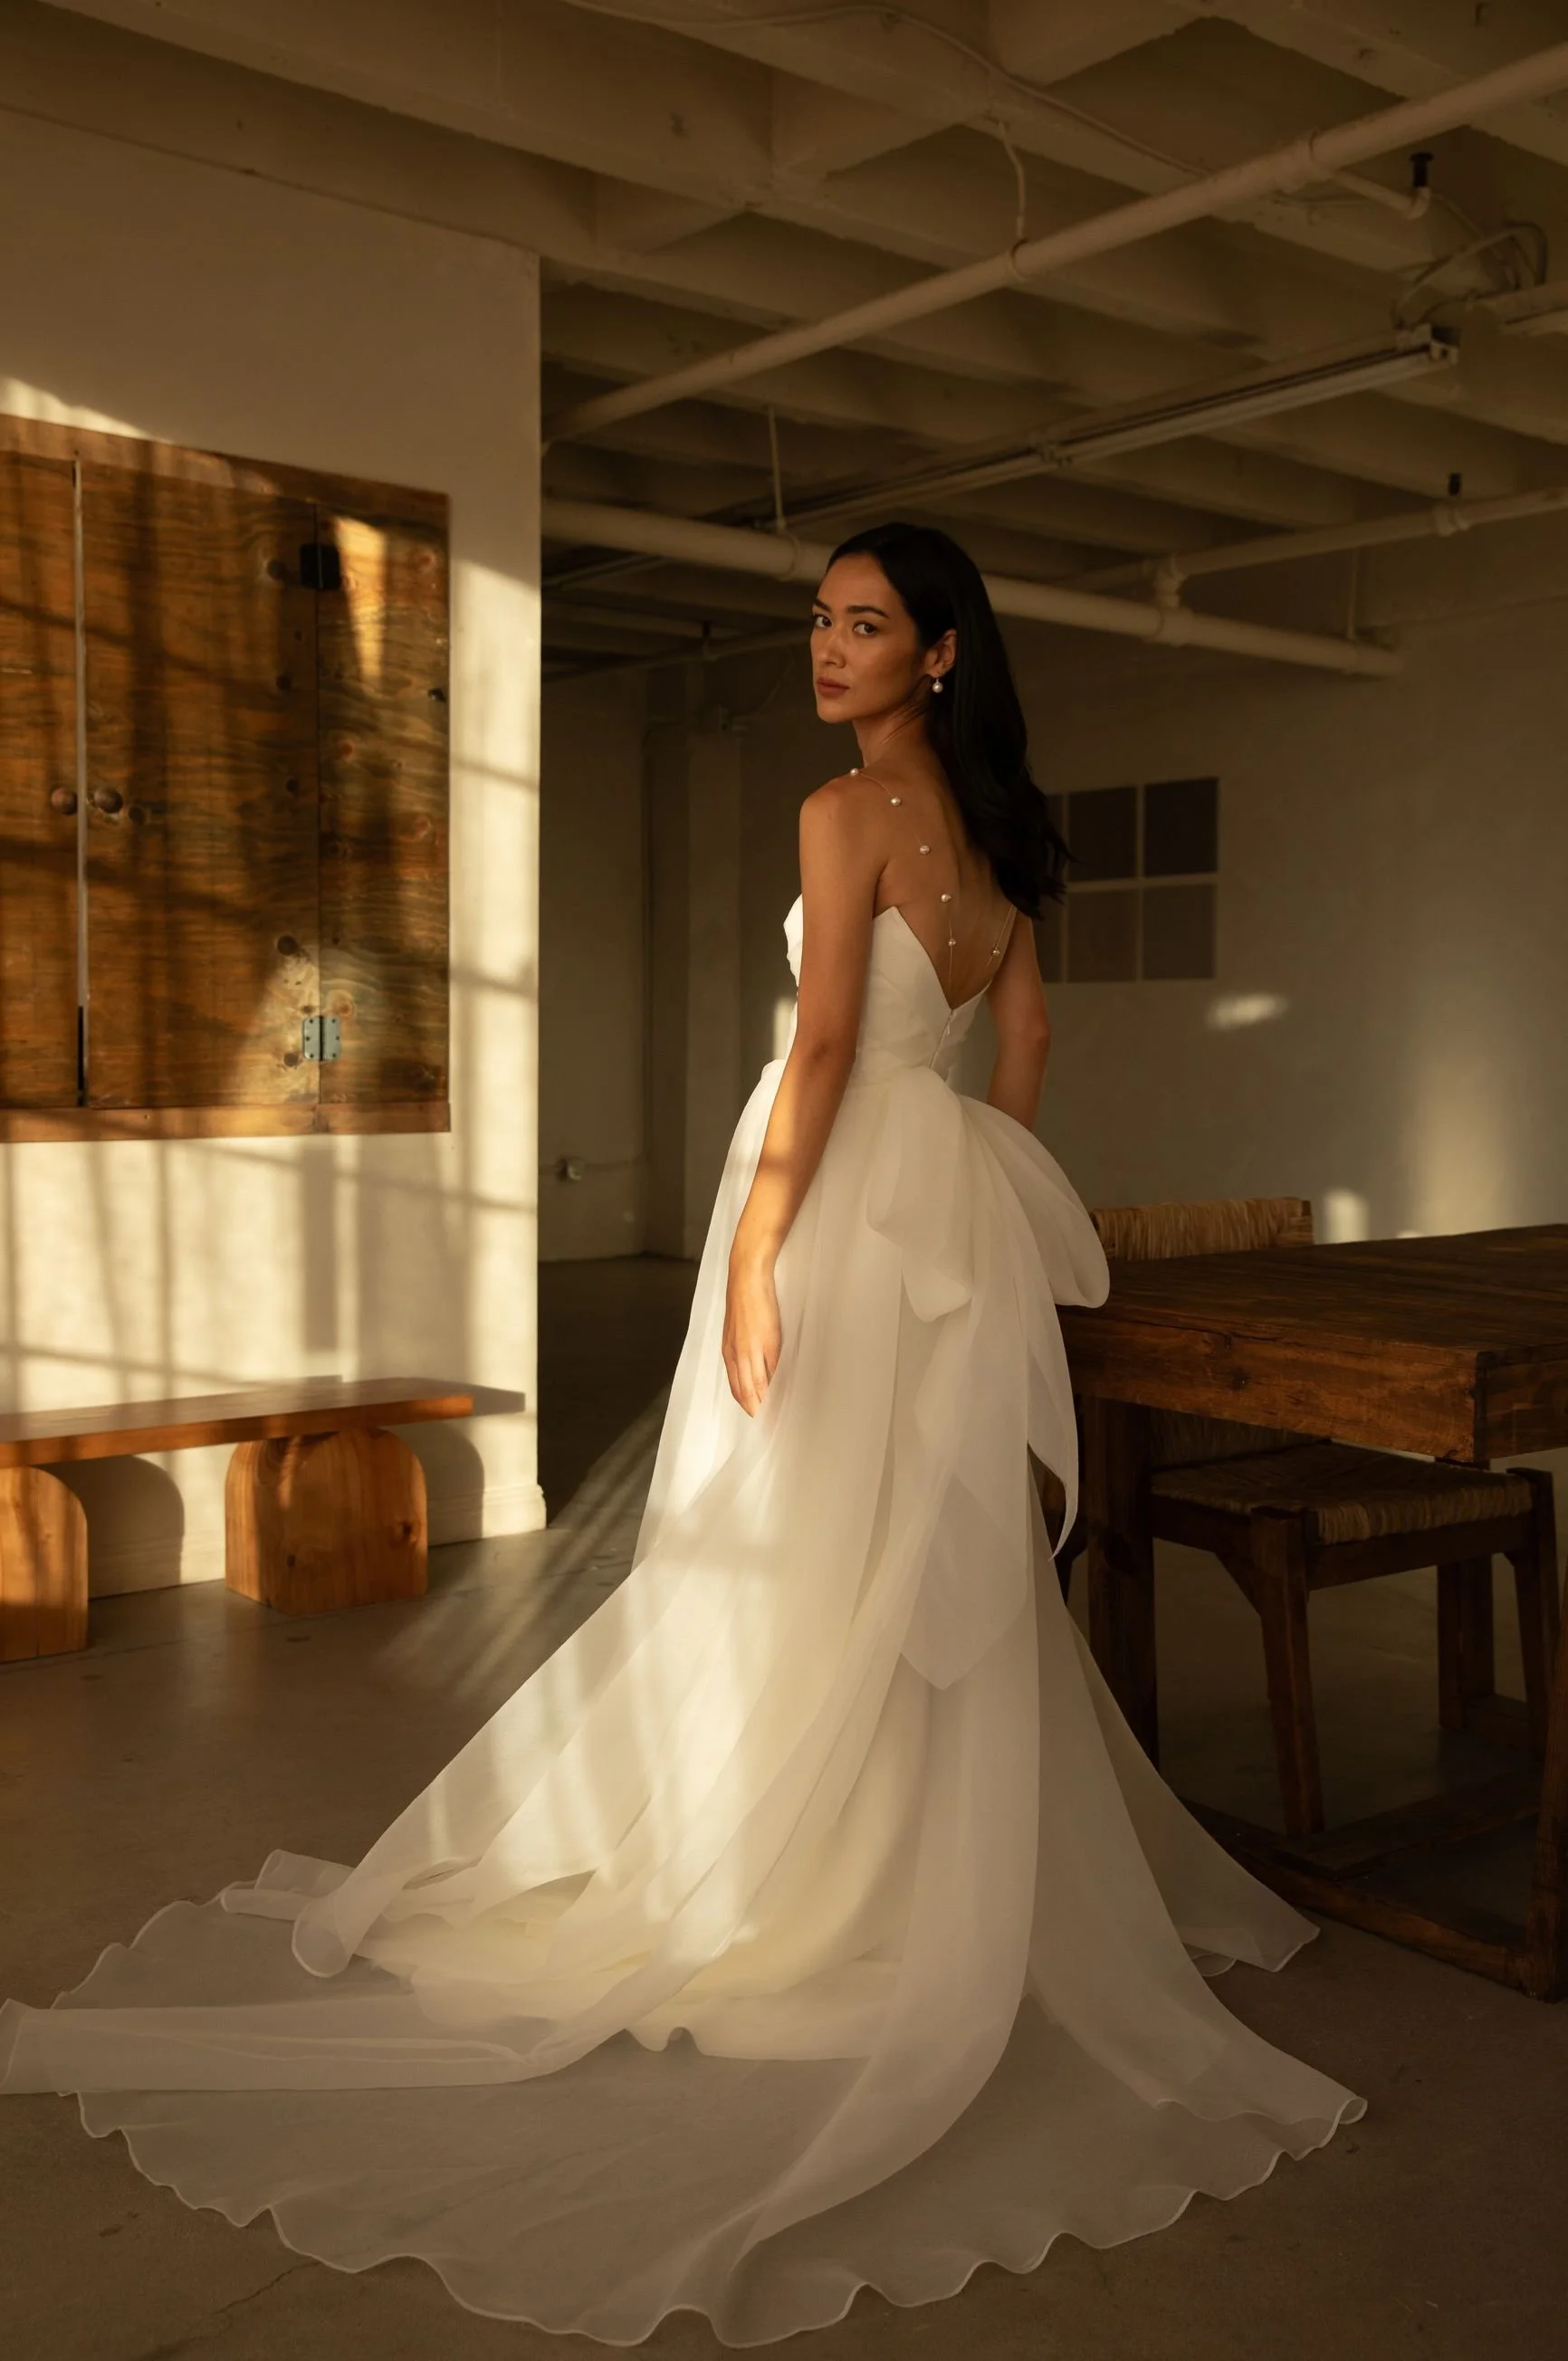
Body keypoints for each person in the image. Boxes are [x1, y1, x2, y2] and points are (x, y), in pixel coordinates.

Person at [0, 521, 1362, 2346]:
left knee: (779, 1540)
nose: (827, 647)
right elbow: (1025, 1039)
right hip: (935, 1210)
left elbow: (822, 1049)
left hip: (828, 1194)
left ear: (938, 653)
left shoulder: (844, 810)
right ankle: (892, 1876)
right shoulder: (1000, 833)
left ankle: (770, 1877)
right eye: (819, 620)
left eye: (864, 624)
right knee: (902, 1542)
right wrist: (977, 1188)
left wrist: (763, 1250)